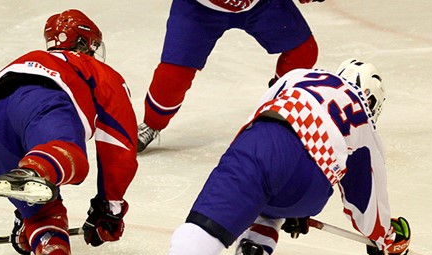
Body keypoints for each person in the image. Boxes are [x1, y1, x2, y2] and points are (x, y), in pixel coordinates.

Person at [66, 59, 412, 255]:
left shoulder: (300, 76)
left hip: (264, 143)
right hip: (311, 187)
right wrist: (386, 241)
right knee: (273, 203)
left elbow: (257, 118)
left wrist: (234, 181)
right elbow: (366, 204)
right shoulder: (365, 125)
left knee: (197, 239)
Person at [0, 9, 138, 255]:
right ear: (86, 43)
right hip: (45, 102)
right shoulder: (93, 68)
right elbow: (119, 144)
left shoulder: (28, 59)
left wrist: (23, 212)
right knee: (71, 158)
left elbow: (3, 107)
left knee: (42, 212)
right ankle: (30, 173)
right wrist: (110, 208)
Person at [137, 0, 325, 152]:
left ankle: (278, 108)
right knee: (173, 75)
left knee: (303, 51)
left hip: (260, 5)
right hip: (200, 8)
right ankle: (152, 124)